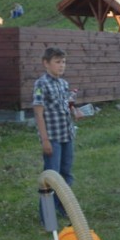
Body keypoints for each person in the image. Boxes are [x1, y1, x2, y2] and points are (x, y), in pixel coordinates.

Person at [33, 47, 82, 214]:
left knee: (66, 174)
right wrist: (45, 140)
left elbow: (66, 106)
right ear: (46, 63)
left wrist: (75, 112)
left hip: (67, 135)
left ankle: (64, 208)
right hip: (53, 138)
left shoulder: (63, 84)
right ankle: (47, 214)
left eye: (64, 62)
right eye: (57, 62)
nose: (61, 65)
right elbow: (38, 113)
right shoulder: (41, 84)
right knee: (51, 176)